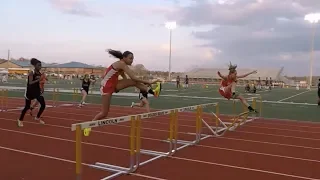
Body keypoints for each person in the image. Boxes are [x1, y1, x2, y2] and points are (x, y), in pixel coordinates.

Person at [84, 49, 161, 134]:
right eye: (130, 58)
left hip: (114, 85)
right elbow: (133, 77)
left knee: (133, 82)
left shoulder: (122, 65)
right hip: (106, 87)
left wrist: (132, 84)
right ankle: (89, 126)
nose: (132, 60)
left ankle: (154, 92)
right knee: (104, 113)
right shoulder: (121, 64)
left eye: (133, 58)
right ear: (124, 58)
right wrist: (149, 82)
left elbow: (127, 79)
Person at [17, 58, 46, 127]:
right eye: (38, 65)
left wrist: (42, 87)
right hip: (29, 92)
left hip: (36, 91)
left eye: (40, 65)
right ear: (35, 66)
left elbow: (41, 82)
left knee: (43, 104)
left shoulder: (40, 73)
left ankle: (37, 117)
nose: (40, 67)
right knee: (27, 107)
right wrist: (39, 79)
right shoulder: (31, 73)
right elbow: (30, 83)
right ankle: (20, 120)